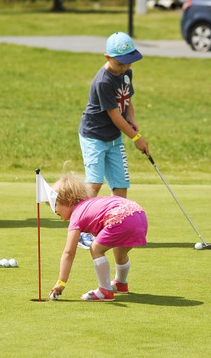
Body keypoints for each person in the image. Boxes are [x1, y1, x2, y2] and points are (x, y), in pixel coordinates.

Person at [76, 32, 150, 249]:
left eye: (128, 62)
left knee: (120, 185)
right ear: (108, 57)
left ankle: (116, 228)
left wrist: (133, 118)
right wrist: (136, 137)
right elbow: (115, 116)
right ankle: (83, 230)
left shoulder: (126, 74)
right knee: (95, 183)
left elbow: (127, 102)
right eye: (120, 63)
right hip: (94, 136)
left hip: (114, 137)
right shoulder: (103, 81)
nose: (125, 67)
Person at [48, 173, 148, 301]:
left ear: (69, 201)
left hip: (121, 217)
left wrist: (61, 283)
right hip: (138, 214)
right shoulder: (92, 203)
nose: (54, 209)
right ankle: (120, 283)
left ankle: (104, 290)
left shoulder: (76, 215)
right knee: (119, 249)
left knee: (95, 249)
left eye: (55, 204)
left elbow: (69, 253)